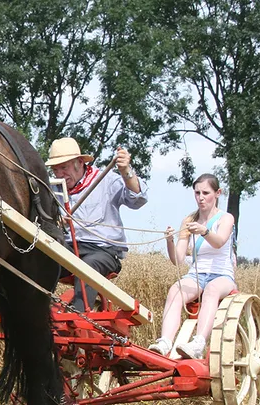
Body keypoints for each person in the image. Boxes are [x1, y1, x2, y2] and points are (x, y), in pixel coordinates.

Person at [45, 138, 148, 311]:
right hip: (68, 248)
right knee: (39, 258)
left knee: (87, 267)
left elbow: (137, 199)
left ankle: (78, 317)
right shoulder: (51, 189)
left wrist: (126, 171)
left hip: (103, 250)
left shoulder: (105, 180)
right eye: (55, 169)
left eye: (64, 167)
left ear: (80, 162)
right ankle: (37, 311)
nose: (60, 174)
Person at [148, 174, 236, 359]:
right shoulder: (189, 221)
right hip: (196, 274)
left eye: (206, 193)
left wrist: (204, 231)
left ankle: (198, 343)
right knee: (175, 290)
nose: (201, 197)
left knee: (212, 290)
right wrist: (170, 241)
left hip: (222, 275)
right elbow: (178, 260)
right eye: (197, 193)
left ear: (217, 193)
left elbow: (219, 242)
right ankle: (165, 342)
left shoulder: (225, 218)